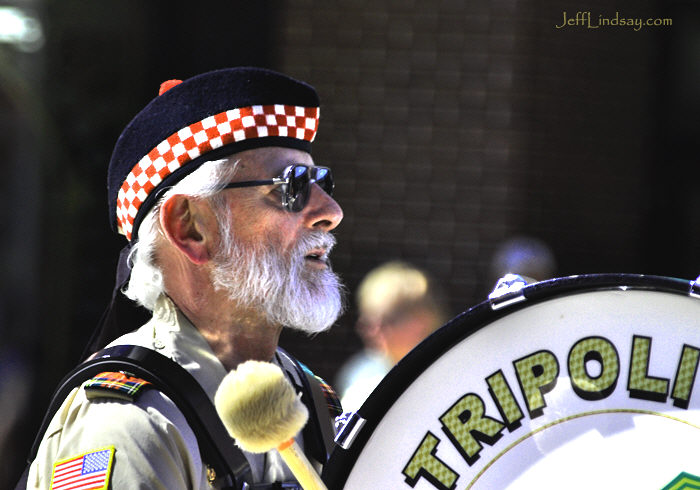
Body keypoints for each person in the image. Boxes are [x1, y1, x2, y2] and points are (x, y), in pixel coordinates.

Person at [24, 67, 346, 489]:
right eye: (293, 187)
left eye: (321, 180)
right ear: (191, 227)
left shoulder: (313, 404)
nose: (332, 211)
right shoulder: (130, 424)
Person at [335, 261, 447, 412]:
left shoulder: (450, 371)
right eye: (368, 321)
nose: (373, 331)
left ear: (421, 321)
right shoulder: (360, 378)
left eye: (387, 320)